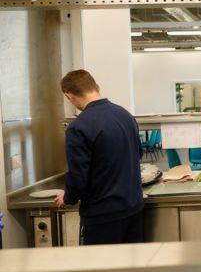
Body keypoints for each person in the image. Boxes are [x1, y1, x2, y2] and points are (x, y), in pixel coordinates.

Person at [55, 70, 144, 245]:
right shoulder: (125, 115)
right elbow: (138, 154)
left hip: (103, 216)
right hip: (134, 208)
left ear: (69, 96)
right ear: (97, 87)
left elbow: (78, 176)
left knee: (100, 271)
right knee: (132, 269)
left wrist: (68, 198)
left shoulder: (78, 127)